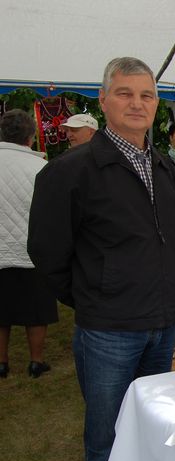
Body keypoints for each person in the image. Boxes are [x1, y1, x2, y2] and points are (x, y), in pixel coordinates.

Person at [27, 57, 175, 461]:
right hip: (108, 331)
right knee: (107, 443)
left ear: (156, 104)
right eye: (125, 93)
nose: (137, 103)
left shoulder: (161, 164)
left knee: (154, 435)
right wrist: (94, 297)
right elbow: (48, 252)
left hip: (160, 328)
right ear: (103, 99)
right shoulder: (71, 170)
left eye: (147, 95)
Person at [0, 109, 56, 379]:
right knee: (36, 312)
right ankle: (36, 361)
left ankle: (1, 362)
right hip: (30, 252)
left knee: (1, 312)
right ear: (31, 137)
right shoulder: (40, 168)